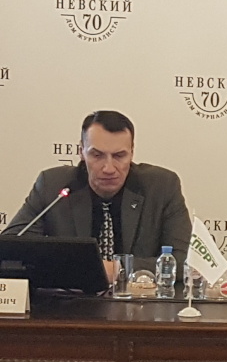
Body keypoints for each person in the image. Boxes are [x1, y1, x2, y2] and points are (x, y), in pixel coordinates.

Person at [2, 111, 192, 281]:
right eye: (97, 155)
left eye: (119, 156)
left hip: (140, 304)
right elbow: (11, 250)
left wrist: (118, 269)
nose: (108, 168)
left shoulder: (161, 187)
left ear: (132, 152)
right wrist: (81, 269)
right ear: (81, 152)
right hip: (69, 303)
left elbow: (186, 261)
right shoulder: (52, 185)